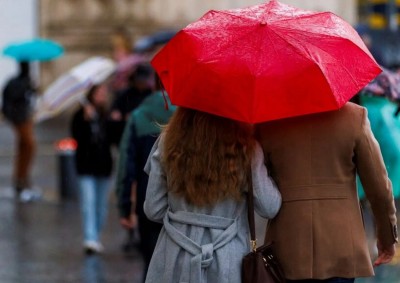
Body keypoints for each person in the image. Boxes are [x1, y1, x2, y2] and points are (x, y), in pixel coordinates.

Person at [256, 102, 398, 282]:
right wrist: (387, 238)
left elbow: (258, 181)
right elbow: (379, 188)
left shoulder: (268, 122)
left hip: (287, 247)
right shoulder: (355, 116)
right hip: (341, 248)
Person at [143, 107, 282, 283]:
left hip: (174, 256)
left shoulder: (167, 142)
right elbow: (270, 207)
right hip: (227, 260)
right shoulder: (247, 148)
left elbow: (153, 209)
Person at [116, 76, 176, 280]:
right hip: (180, 200)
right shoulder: (187, 116)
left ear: (155, 83)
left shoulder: (139, 115)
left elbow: (126, 165)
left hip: (147, 197)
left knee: (151, 261)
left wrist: (125, 206)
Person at [71, 83, 114, 254]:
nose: (102, 96)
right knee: (88, 203)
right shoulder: (79, 115)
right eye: (99, 93)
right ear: (92, 94)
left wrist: (118, 121)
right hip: (86, 166)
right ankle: (89, 238)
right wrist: (85, 120)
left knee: (101, 206)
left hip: (104, 166)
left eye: (104, 93)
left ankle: (95, 235)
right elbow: (76, 137)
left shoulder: (106, 114)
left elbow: (113, 138)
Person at [1, 61, 40, 201]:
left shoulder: (22, 82)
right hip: (20, 118)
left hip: (24, 118)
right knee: (29, 146)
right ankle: (21, 179)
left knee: (24, 147)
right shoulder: (19, 83)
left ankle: (21, 179)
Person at [109, 63, 154, 144]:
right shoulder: (126, 94)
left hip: (145, 135)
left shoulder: (151, 94)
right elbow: (115, 111)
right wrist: (119, 115)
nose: (141, 83)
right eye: (139, 81)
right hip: (126, 133)